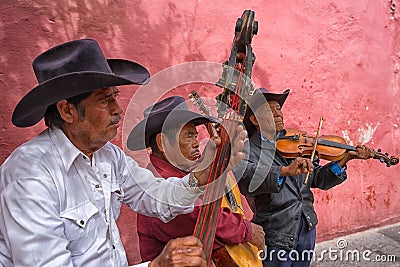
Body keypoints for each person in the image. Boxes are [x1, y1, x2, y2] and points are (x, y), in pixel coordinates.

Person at [0, 38, 246, 267]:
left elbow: (156, 197)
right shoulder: (30, 177)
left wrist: (204, 172)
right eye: (105, 100)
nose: (118, 110)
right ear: (67, 111)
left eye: (114, 98)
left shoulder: (109, 156)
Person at [233, 88, 375, 267]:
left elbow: (318, 179)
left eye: (279, 109)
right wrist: (284, 171)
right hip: (275, 231)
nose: (277, 113)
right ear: (254, 120)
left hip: (306, 225)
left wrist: (345, 158)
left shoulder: (296, 142)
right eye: (269, 110)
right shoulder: (247, 149)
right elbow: (247, 180)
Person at [123, 96, 264, 264]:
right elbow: (199, 218)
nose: (196, 143)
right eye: (188, 136)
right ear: (162, 143)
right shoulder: (157, 181)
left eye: (195, 136)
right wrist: (247, 229)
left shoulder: (182, 175)